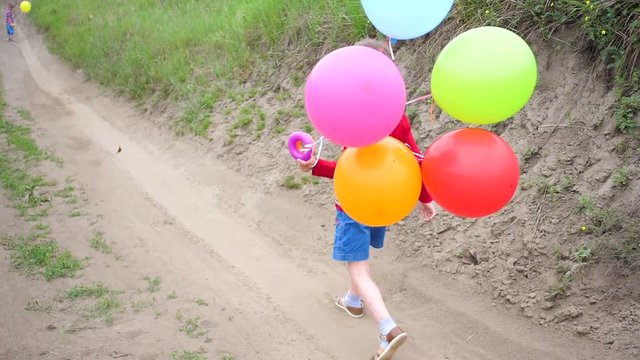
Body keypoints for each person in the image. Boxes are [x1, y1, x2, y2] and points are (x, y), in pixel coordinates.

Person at [296, 38, 437, 360]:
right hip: (384, 206)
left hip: (355, 206)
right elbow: (414, 159)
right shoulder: (396, 116)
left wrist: (314, 165)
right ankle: (352, 301)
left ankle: (388, 330)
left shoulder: (354, 116)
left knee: (359, 269)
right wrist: (425, 197)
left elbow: (349, 173)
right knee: (358, 266)